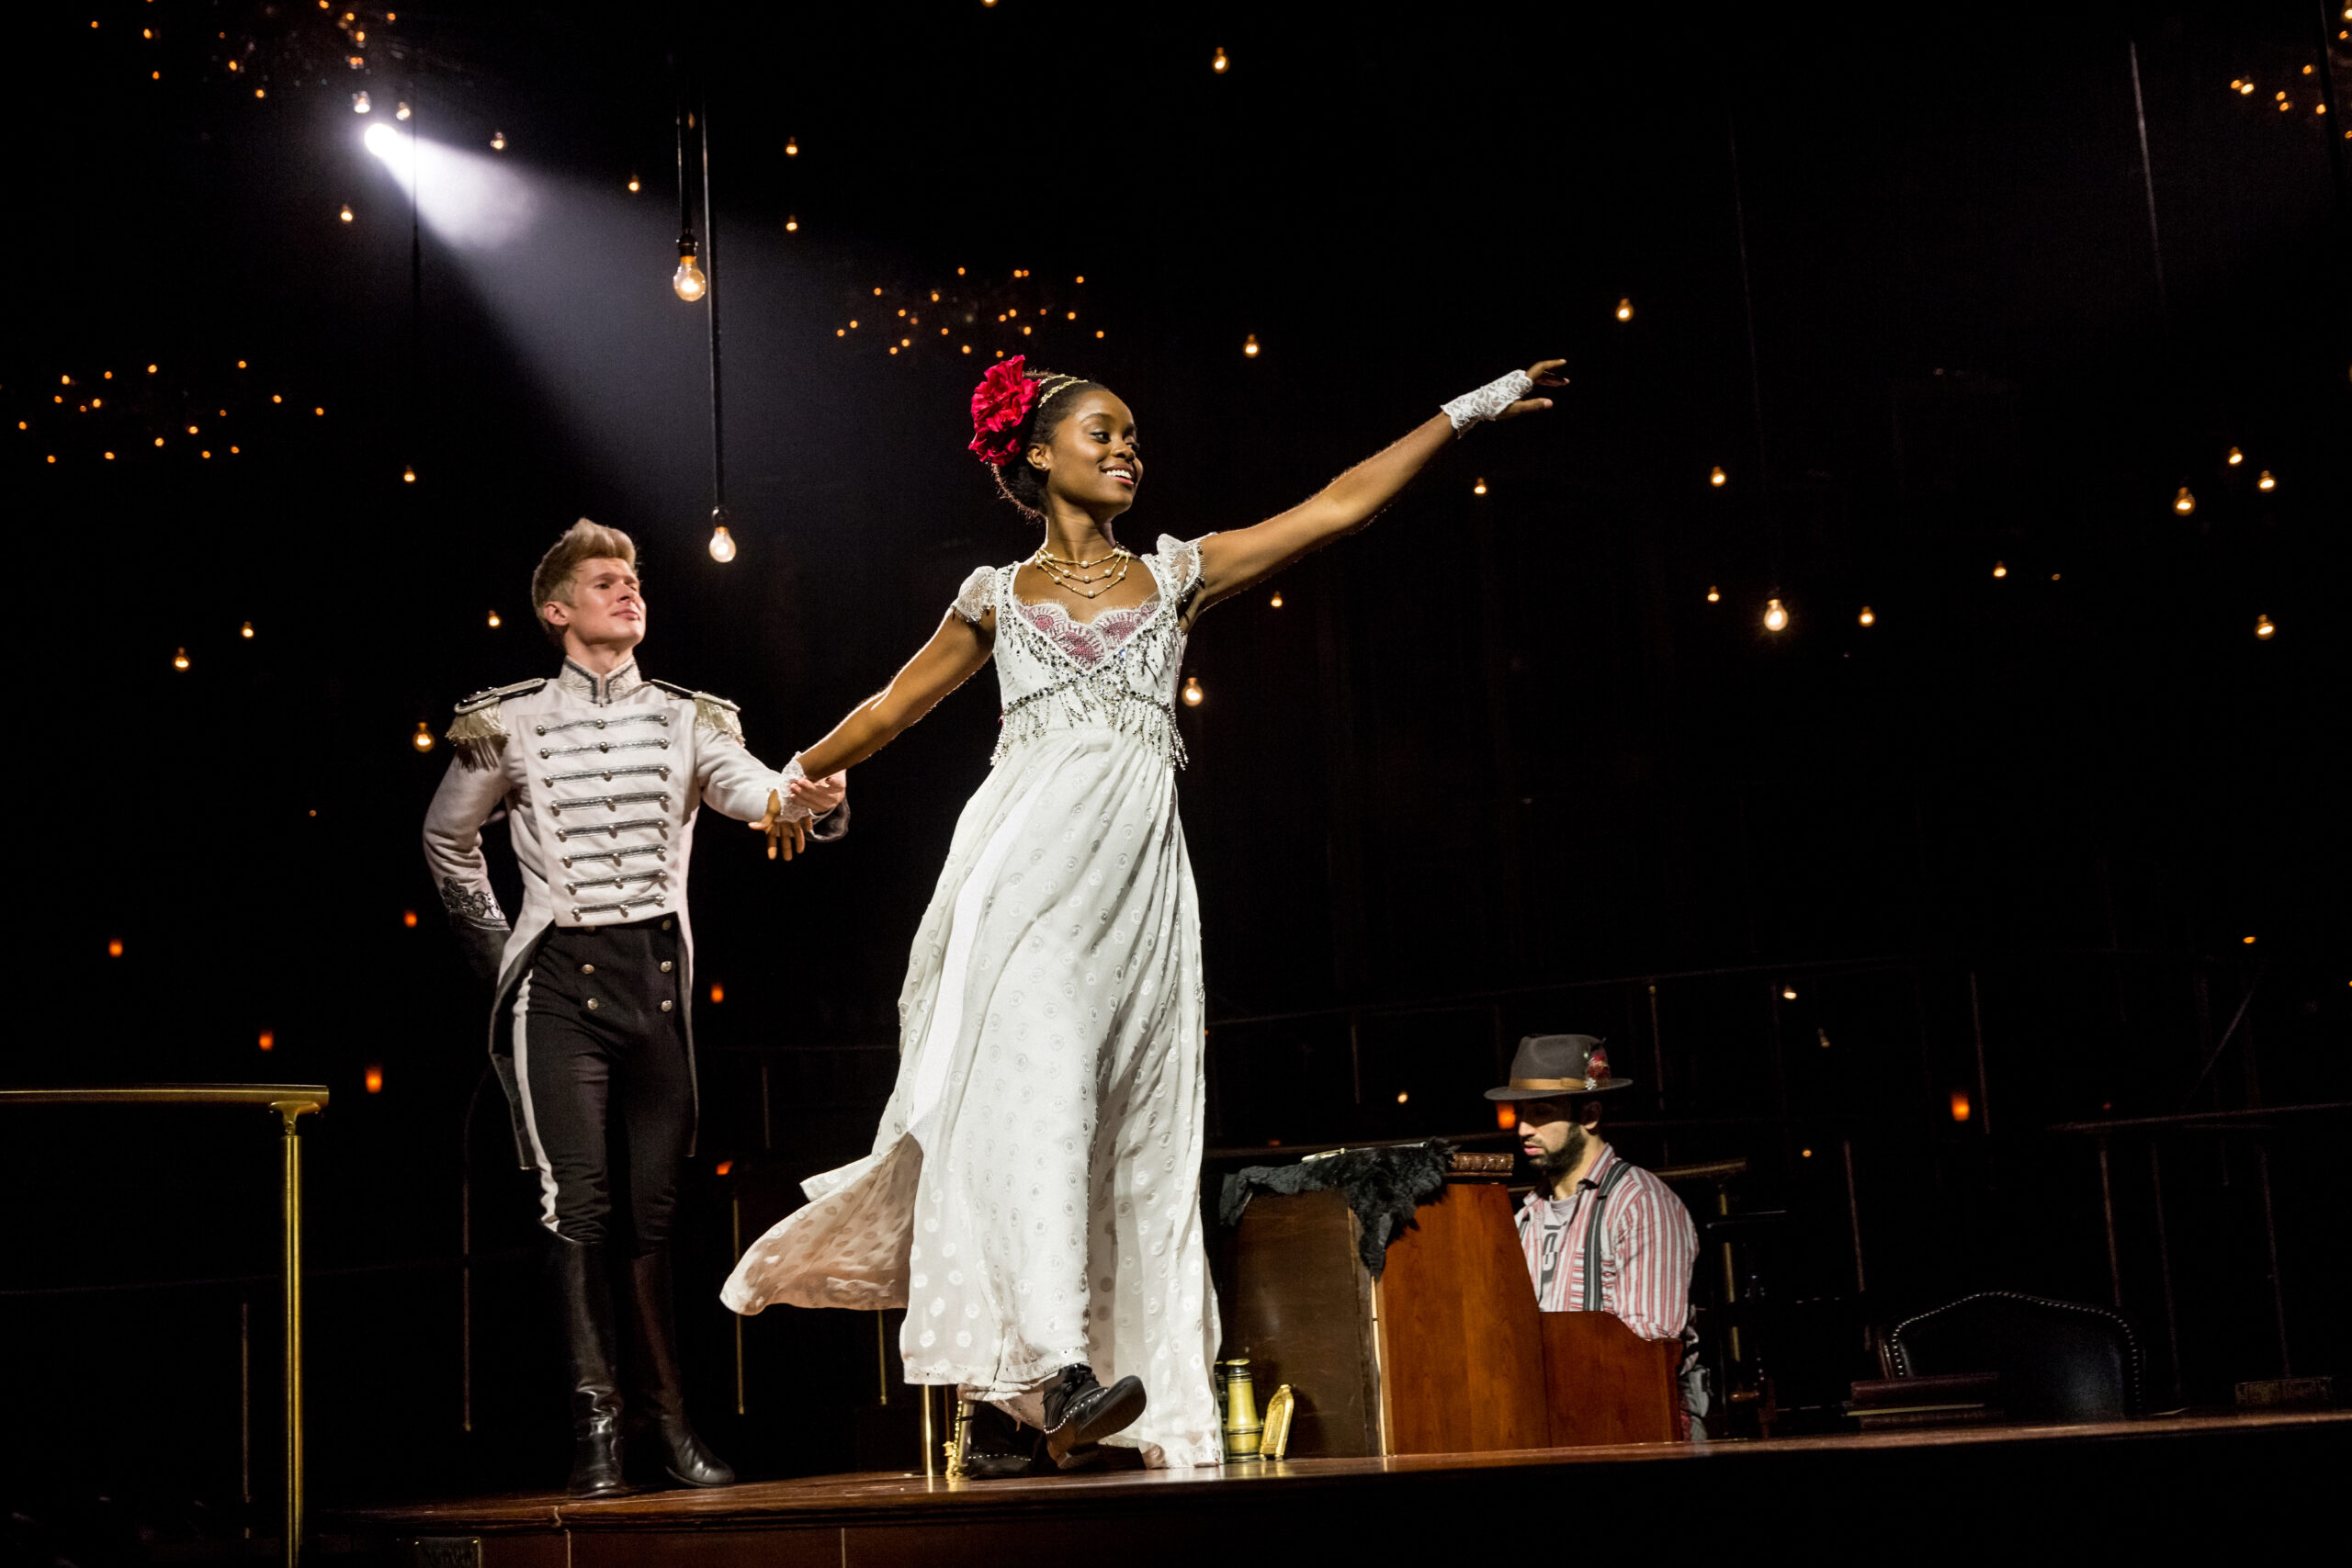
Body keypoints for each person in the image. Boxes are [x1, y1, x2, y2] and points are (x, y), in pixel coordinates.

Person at [722, 355, 1566, 1474]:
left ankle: (1019, 1414)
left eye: (1133, 437)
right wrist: (797, 774)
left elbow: (1335, 506)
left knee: (1120, 1137)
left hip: (1134, 900)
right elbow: (889, 709)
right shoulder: (994, 596)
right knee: (1043, 1107)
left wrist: (1470, 408)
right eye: (1103, 433)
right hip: (1018, 879)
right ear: (1037, 453)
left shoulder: (1177, 575)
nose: (1128, 449)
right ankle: (1059, 1370)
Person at [424, 518, 846, 1496]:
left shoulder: (690, 718)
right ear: (556, 611)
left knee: (654, 1215)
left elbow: (752, 793)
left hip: (653, 982)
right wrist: (505, 956)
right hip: (556, 987)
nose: (627, 592)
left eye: (633, 579)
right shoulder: (509, 721)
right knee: (579, 1206)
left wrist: (806, 798)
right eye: (604, 582)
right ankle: (598, 1433)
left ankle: (671, 1426)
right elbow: (447, 840)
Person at [1486, 1032, 1707, 1431]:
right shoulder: (1525, 1218)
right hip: (1552, 1424)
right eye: (1520, 1113)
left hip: (1636, 1426)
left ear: (1589, 1115)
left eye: (1541, 1111)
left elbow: (1646, 1345)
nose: (1522, 1129)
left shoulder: (1641, 1203)